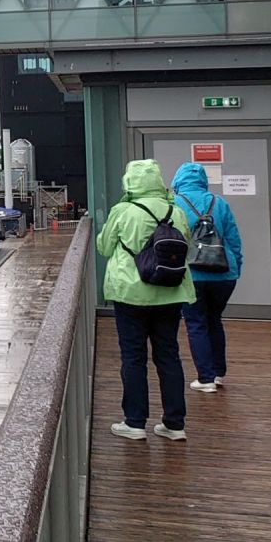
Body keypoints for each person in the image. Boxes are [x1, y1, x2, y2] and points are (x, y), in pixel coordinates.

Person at [96, 159, 196, 442]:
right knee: (168, 354)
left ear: (129, 182)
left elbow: (104, 247)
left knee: (133, 356)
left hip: (130, 293)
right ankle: (175, 424)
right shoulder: (175, 211)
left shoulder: (123, 210)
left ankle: (135, 422)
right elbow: (184, 246)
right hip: (170, 292)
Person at [172, 162, 243, 392]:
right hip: (224, 273)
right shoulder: (219, 203)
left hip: (193, 274)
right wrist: (236, 268)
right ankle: (218, 373)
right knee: (214, 320)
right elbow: (234, 240)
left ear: (178, 180)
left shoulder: (175, 204)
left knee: (196, 323)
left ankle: (205, 378)